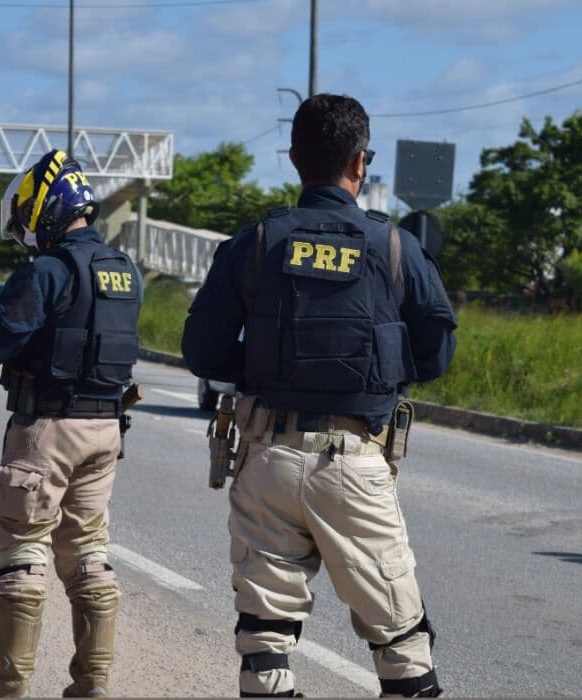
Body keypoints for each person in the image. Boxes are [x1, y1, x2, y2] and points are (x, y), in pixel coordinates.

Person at [182, 94, 457, 697]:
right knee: (402, 643)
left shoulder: (256, 242)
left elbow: (201, 351)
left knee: (264, 640)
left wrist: (263, 372)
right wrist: (377, 373)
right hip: (356, 461)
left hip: (267, 455)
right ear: (361, 162)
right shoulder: (395, 247)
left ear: (292, 159)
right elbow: (437, 352)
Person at [0, 149, 142, 697]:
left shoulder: (47, 271)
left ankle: (7, 684)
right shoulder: (124, 271)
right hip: (106, 431)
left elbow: (4, 336)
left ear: (45, 208)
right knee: (87, 551)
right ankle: (93, 684)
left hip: (48, 429)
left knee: (19, 548)